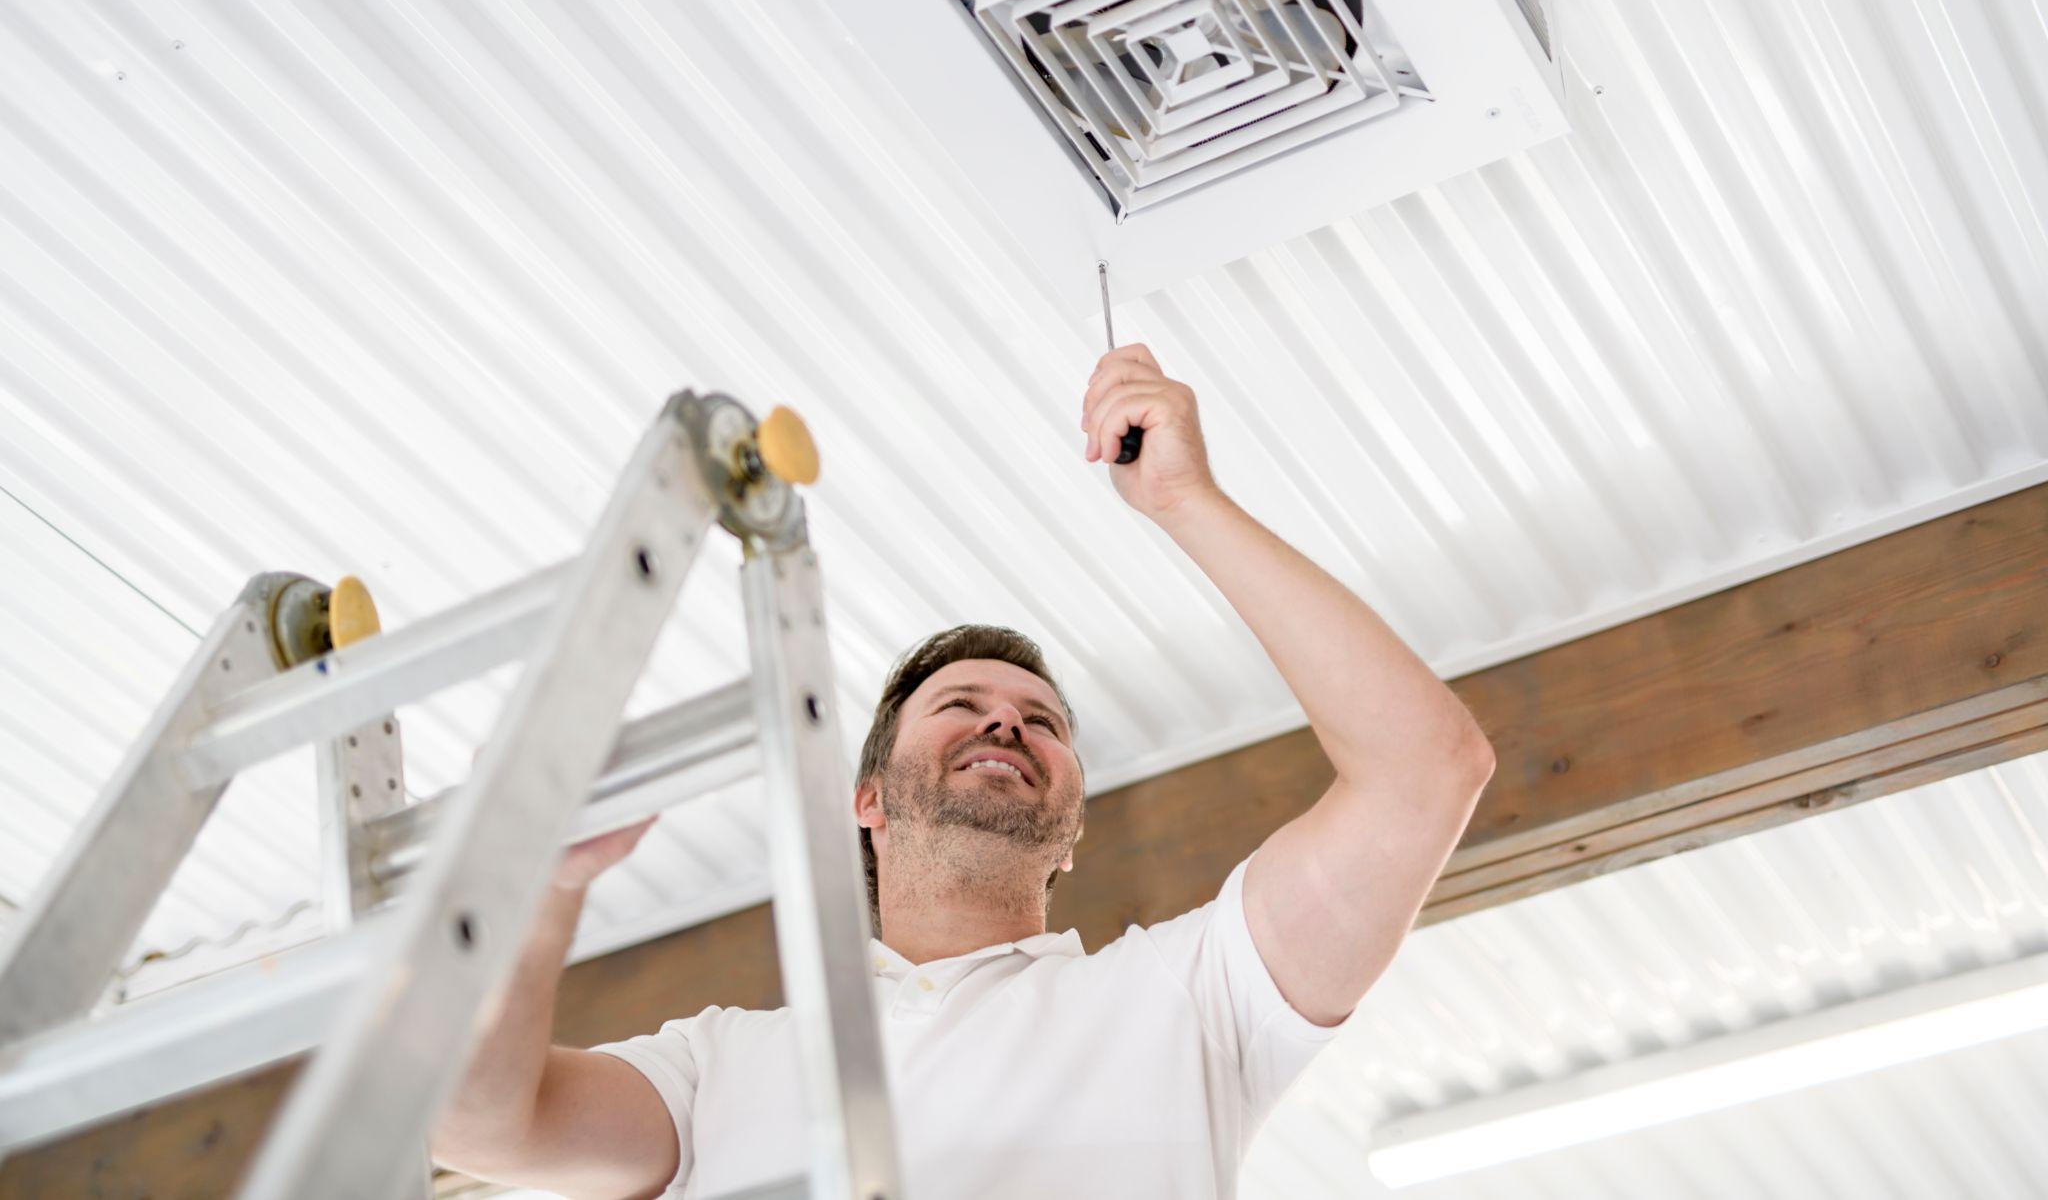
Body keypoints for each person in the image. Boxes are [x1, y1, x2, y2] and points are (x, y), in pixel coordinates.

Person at [430, 344, 1496, 1198]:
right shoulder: (720, 1066)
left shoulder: (1186, 1000)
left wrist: (1186, 502)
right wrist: (544, 885)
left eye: (1040, 721)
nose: (1006, 726)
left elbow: (1426, 772)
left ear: (1070, 825)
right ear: (865, 800)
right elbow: (481, 1125)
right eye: (962, 708)